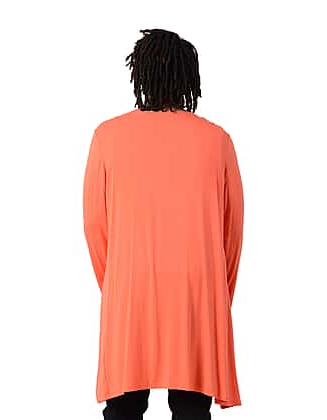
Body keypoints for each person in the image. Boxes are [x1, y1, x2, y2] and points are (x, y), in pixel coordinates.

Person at [83, 28, 244, 420]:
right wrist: (218, 295)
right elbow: (232, 232)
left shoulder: (107, 137)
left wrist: (117, 283)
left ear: (138, 74)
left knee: (123, 408)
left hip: (131, 287)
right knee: (191, 409)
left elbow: (95, 226)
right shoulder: (217, 140)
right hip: (197, 290)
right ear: (189, 77)